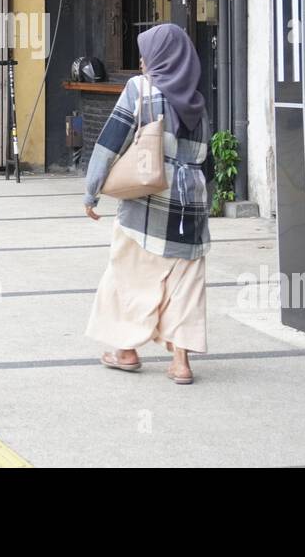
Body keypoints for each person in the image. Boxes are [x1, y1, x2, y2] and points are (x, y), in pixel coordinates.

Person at [83, 23, 211, 385]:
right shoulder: (197, 100)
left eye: (146, 52)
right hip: (191, 207)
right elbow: (206, 161)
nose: (140, 60)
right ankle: (181, 362)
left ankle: (125, 350)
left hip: (148, 202)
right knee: (186, 285)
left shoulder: (140, 89)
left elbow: (110, 142)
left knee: (126, 274)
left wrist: (92, 190)